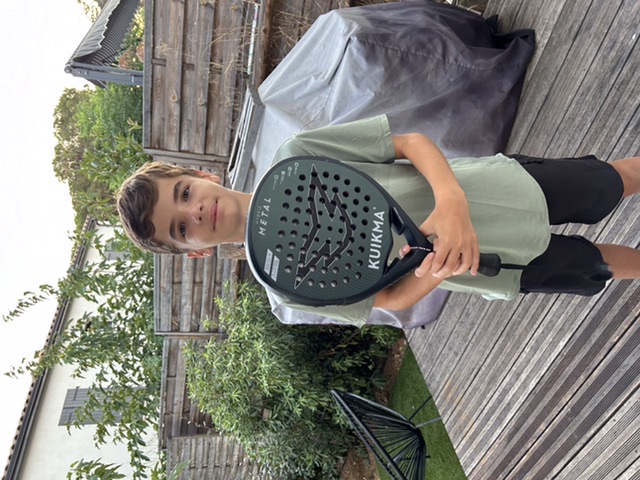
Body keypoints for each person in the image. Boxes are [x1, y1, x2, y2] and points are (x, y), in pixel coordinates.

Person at [116, 115, 640, 328]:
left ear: (200, 174)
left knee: (612, 182)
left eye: (183, 194)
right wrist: (436, 269)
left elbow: (408, 143)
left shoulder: (297, 154)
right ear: (195, 251)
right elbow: (388, 298)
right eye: (180, 229)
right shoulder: (285, 287)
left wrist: (452, 201)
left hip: (497, 188)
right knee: (596, 265)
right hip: (488, 265)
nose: (193, 212)